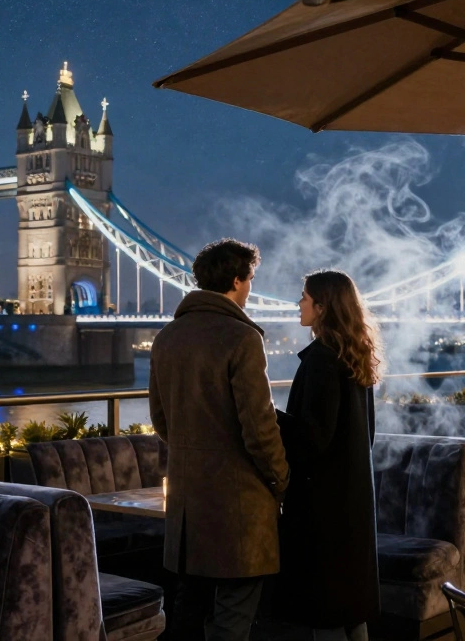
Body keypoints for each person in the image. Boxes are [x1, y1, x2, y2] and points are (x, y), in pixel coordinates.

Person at [149, 238, 290, 641]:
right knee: (234, 612)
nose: (251, 288)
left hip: (187, 503)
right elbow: (259, 428)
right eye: (250, 280)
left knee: (187, 610)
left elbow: (161, 420)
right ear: (236, 281)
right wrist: (280, 479)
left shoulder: (167, 337)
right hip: (238, 504)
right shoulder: (242, 338)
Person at [273, 270, 381, 641]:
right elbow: (364, 434)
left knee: (325, 611)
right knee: (352, 608)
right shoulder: (354, 354)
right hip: (351, 499)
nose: (298, 304)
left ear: (322, 306)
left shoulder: (320, 360)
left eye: (304, 297)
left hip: (323, 505)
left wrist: (267, 415)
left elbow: (312, 438)